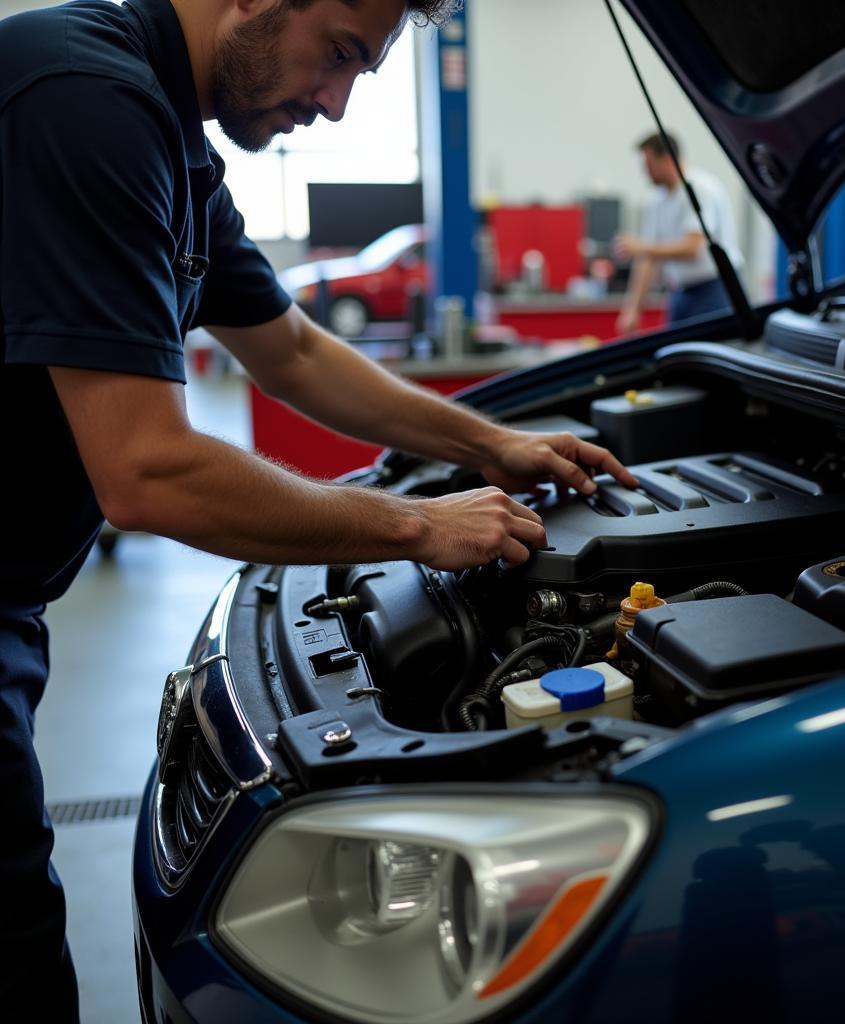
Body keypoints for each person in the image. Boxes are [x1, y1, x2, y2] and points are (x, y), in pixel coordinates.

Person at [0, 0, 638, 1017]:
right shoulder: (88, 101)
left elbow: (291, 350)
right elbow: (147, 469)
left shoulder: (166, 137)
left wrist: (492, 443)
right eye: (338, 55)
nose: (338, 107)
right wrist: (418, 525)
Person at [614, 131, 742, 333]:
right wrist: (632, 310)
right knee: (677, 353)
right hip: (680, 292)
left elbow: (692, 249)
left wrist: (640, 247)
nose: (645, 173)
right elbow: (648, 258)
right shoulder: (654, 200)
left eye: (648, 166)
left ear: (666, 159)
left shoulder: (701, 190)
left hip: (714, 289)